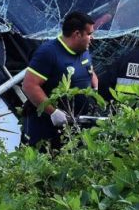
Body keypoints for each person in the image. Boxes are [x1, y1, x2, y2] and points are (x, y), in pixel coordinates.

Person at [22, 11, 99, 148]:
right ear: (77, 34)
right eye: (89, 34)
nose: (92, 38)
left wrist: (94, 87)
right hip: (48, 129)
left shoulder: (83, 50)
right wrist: (53, 112)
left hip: (76, 127)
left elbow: (89, 69)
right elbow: (29, 85)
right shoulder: (48, 53)